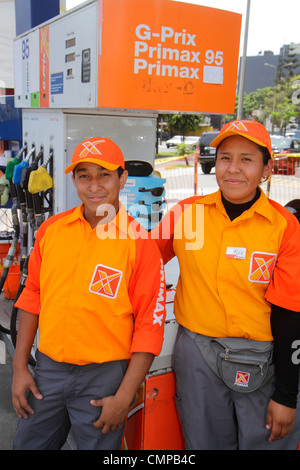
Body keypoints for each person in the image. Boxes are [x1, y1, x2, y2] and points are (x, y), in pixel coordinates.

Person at [152, 120, 300, 450]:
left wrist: (287, 396)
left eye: (246, 159)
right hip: (198, 355)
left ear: (266, 168)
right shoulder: (187, 214)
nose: (233, 169)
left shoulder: (284, 227)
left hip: (266, 359)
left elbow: (291, 312)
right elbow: (140, 264)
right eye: (224, 158)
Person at [12, 137, 166, 450]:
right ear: (73, 180)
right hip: (48, 370)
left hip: (105, 377)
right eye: (84, 175)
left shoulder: (140, 244)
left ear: (122, 179)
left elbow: (150, 327)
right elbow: (32, 297)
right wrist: (19, 368)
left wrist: (123, 397)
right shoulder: (51, 232)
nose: (94, 185)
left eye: (104, 174)